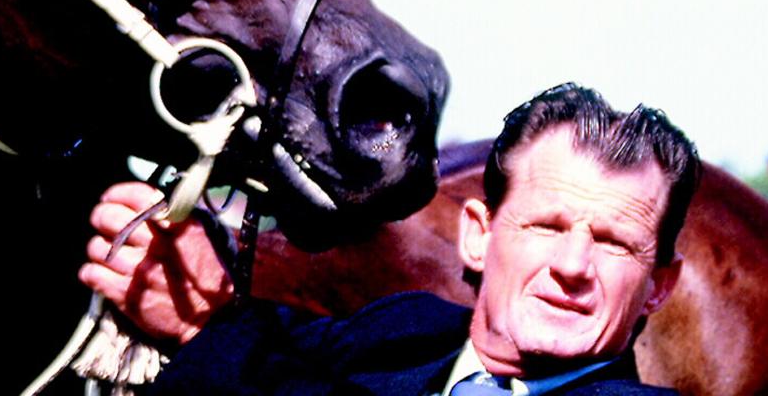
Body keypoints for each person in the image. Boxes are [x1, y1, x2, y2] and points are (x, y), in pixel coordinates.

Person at [80, 83, 702, 395]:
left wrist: (209, 334)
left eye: (615, 245)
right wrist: (194, 295)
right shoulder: (405, 329)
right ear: (479, 237)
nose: (573, 265)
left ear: (659, 287)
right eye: (546, 227)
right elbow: (268, 342)